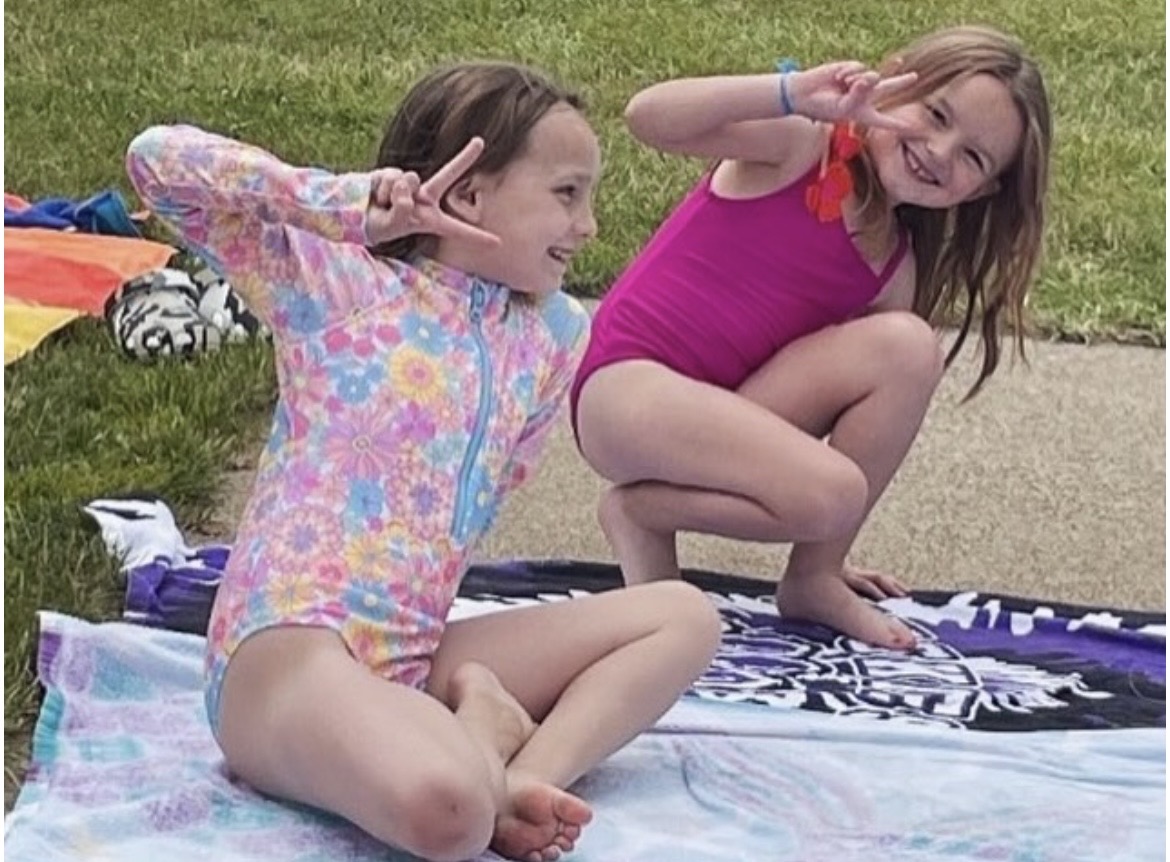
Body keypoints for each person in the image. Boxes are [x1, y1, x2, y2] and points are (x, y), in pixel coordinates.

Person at [126, 62, 722, 862]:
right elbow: (157, 161)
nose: (588, 226)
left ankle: (522, 779)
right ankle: (483, 737)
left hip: (414, 655)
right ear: (468, 195)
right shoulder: (338, 284)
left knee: (684, 617)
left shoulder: (551, 336)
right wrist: (346, 204)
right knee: (447, 815)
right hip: (290, 652)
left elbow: (500, 479)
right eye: (566, 194)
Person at [570, 25, 1052, 652]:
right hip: (626, 393)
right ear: (892, 79)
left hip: (727, 411)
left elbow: (864, 410)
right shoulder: (800, 144)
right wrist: (789, 92)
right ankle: (640, 513)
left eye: (973, 158)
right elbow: (648, 117)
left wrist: (813, 510)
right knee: (835, 494)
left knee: (910, 349)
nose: (939, 151)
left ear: (983, 192)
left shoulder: (892, 269)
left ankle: (814, 574)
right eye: (936, 115)